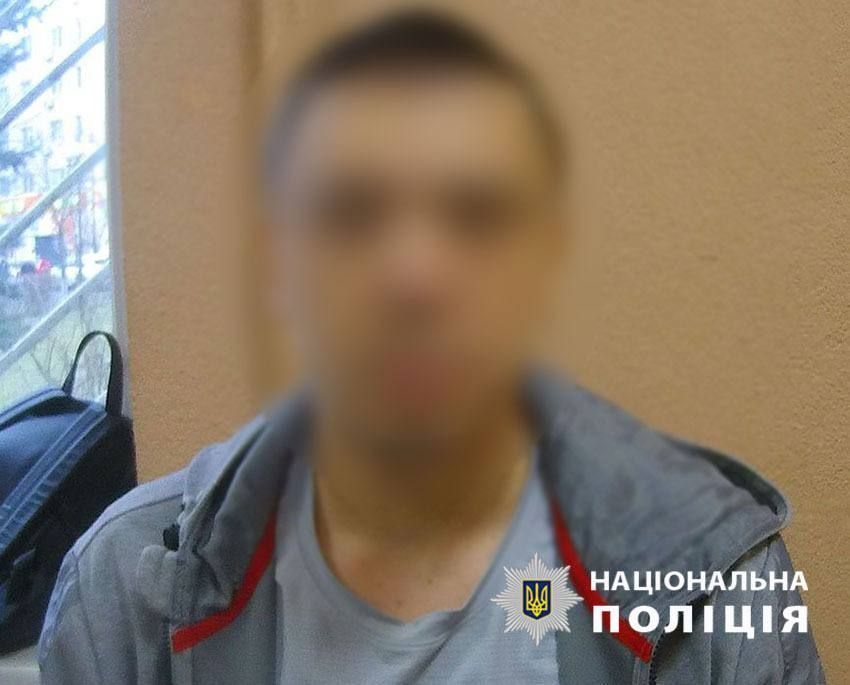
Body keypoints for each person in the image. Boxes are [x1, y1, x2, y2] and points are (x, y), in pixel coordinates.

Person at [38, 10, 824, 684]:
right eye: (354, 211)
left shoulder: (717, 589)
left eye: (475, 213)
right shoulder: (124, 600)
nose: (414, 276)